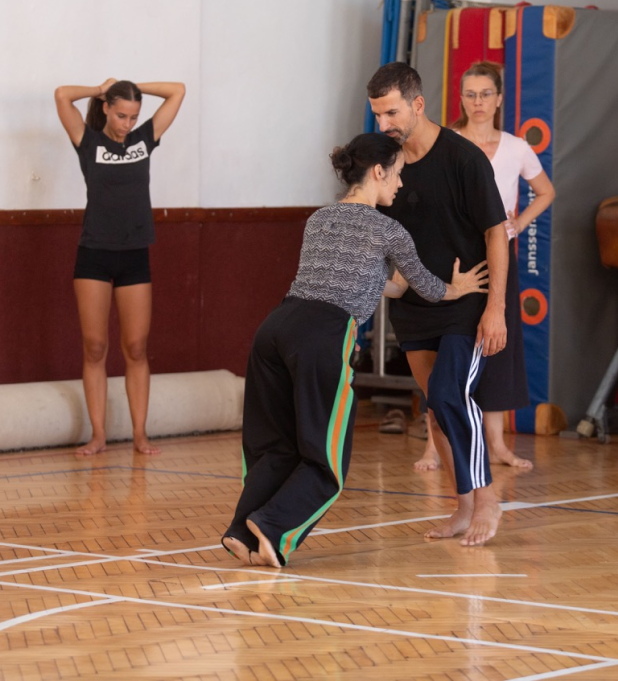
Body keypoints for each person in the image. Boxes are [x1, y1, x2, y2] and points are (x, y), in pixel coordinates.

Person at [222, 133, 489, 568]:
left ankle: (242, 531)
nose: (400, 183)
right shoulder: (389, 230)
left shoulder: (319, 219)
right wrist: (457, 288)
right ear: (378, 172)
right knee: (326, 459)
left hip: (276, 328)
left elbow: (379, 284)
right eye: (397, 174)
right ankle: (271, 527)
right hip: (323, 335)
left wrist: (398, 281)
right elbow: (425, 286)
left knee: (275, 448)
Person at [368, 61, 509, 546]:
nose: (383, 124)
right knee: (437, 412)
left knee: (451, 395)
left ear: (418, 104)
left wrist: (496, 308)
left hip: (467, 300)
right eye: (377, 115)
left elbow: (496, 233)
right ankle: (463, 506)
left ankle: (487, 499)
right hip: (415, 305)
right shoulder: (387, 164)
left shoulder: (464, 159)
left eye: (391, 113)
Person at [413, 60, 556, 472]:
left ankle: (497, 445)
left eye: (486, 94)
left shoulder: (516, 147)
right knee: (442, 349)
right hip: (451, 257)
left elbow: (546, 192)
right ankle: (433, 444)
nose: (478, 101)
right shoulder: (446, 142)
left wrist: (518, 224)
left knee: (495, 347)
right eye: (471, 94)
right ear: (461, 99)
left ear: (498, 99)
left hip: (498, 254)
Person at [54, 78, 186, 456]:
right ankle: (98, 436)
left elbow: (178, 90)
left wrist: (133, 85)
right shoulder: (88, 141)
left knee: (136, 347)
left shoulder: (144, 140)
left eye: (133, 117)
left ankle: (139, 435)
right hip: (93, 254)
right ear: (107, 108)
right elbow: (62, 95)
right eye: (121, 115)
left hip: (134, 255)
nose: (128, 124)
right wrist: (101, 88)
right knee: (95, 347)